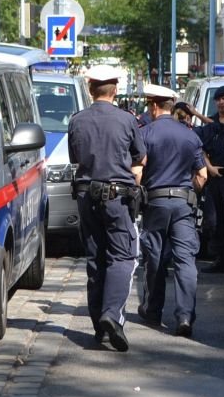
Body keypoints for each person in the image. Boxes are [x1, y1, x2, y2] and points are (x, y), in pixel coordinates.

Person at [68, 64, 147, 352]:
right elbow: (140, 157)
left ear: (90, 90)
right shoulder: (126, 120)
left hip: (86, 196)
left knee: (95, 258)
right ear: (115, 90)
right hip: (117, 197)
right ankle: (112, 314)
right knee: (122, 256)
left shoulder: (76, 120)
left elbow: (75, 157)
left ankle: (99, 327)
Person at [137, 84, 208, 337]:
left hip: (155, 202)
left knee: (154, 256)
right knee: (185, 260)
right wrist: (191, 194)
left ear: (154, 106)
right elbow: (202, 174)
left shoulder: (144, 133)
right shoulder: (190, 135)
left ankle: (153, 310)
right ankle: (185, 316)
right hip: (183, 203)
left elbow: (138, 171)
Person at [185, 86, 224, 272]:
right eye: (218, 99)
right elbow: (200, 147)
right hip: (213, 178)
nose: (222, 102)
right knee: (213, 220)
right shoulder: (212, 123)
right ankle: (219, 259)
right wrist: (209, 168)